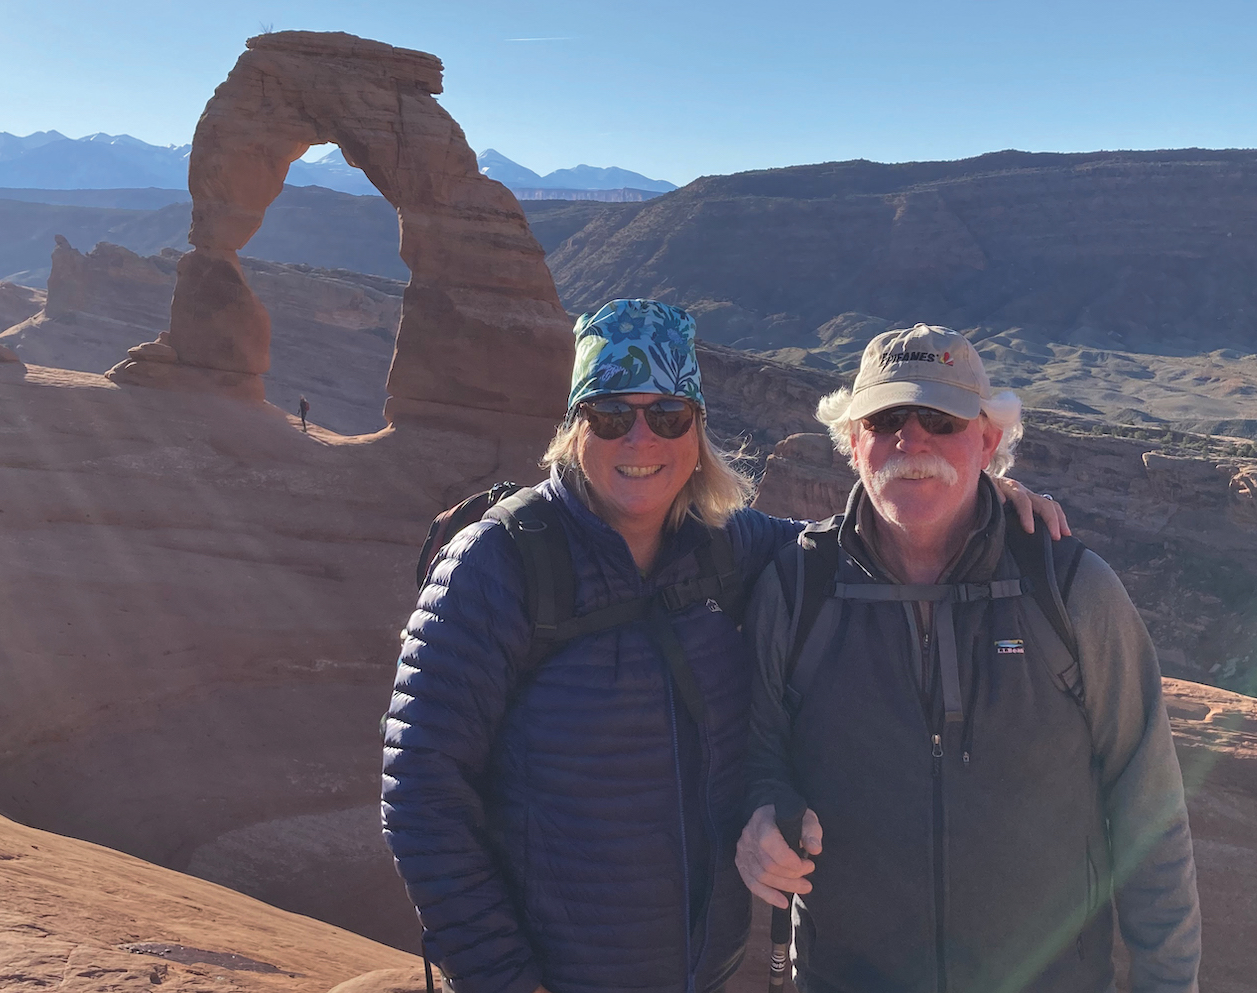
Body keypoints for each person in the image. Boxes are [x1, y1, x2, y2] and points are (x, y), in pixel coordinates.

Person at [381, 303, 1067, 993]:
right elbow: (418, 791)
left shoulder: (722, 544)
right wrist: (503, 977)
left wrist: (972, 489)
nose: (641, 439)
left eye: (669, 415)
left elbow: (849, 547)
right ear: (574, 426)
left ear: (697, 428)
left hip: (700, 973)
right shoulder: (499, 564)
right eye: (612, 415)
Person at [736, 324, 1201, 993]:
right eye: (888, 416)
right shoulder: (798, 589)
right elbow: (756, 754)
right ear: (852, 439)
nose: (912, 437)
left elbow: (1149, 811)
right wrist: (761, 810)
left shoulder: (1068, 591)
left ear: (988, 441)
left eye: (940, 418)